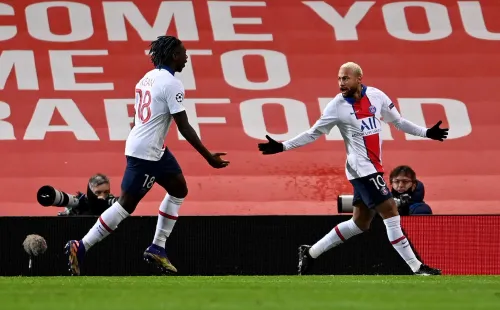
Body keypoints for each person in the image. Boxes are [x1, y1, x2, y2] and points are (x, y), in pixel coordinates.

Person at [258, 62, 447, 276]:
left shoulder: (376, 96)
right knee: (391, 213)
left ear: (359, 78)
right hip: (362, 170)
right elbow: (313, 133)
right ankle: (417, 267)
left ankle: (310, 253)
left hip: (373, 167)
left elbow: (399, 122)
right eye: (339, 79)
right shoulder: (336, 106)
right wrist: (283, 146)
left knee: (360, 223)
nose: (341, 83)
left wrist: (426, 133)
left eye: (345, 78)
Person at [64, 36, 230, 276]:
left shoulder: (146, 78)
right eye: (184, 53)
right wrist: (208, 157)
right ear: (173, 55)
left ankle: (158, 247)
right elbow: (183, 126)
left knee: (179, 189)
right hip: (147, 153)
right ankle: (81, 246)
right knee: (125, 205)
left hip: (151, 148)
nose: (186, 57)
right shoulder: (172, 83)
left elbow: (136, 118)